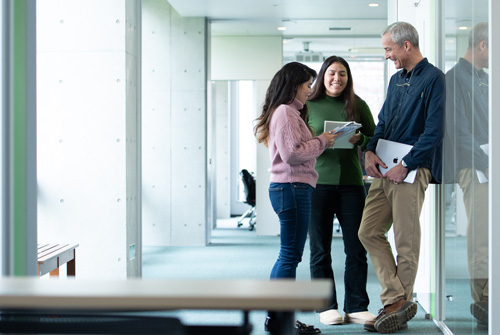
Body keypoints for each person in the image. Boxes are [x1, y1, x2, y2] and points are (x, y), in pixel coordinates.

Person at [357, 22, 445, 333]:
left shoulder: (435, 79)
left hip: (411, 169)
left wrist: (406, 164)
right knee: (368, 231)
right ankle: (398, 300)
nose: (386, 56)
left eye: (388, 49)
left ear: (406, 45)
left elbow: (434, 131)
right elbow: (382, 123)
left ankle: (395, 307)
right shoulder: (396, 81)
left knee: (405, 241)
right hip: (384, 169)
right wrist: (369, 150)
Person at [254, 62, 341, 335]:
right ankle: (280, 319)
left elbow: (295, 150)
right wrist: (323, 141)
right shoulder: (286, 113)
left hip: (290, 188)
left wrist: (318, 141)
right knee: (289, 256)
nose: (310, 90)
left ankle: (279, 318)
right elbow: (293, 154)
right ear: (294, 87)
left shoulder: (287, 113)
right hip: (292, 188)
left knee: (288, 256)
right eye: (307, 85)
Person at [306, 55, 376, 326]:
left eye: (342, 74)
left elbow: (376, 138)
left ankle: (357, 305)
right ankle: (326, 307)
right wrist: (320, 141)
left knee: (356, 247)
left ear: (348, 78)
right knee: (320, 249)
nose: (337, 78)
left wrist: (363, 139)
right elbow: (297, 143)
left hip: (351, 185)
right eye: (332, 73)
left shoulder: (358, 105)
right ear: (323, 76)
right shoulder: (308, 106)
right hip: (317, 184)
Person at [444, 22, 489, 327]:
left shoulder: (484, 79)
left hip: (488, 161)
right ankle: (484, 298)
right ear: (483, 45)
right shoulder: (454, 78)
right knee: (482, 233)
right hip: (474, 166)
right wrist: (485, 160)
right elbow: (458, 130)